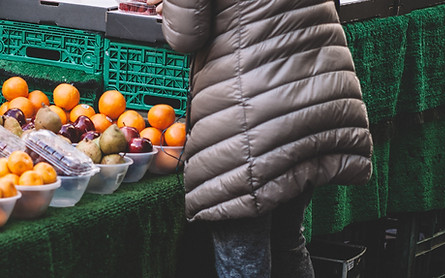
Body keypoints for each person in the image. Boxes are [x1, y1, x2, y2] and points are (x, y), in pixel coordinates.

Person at [154, 0, 374, 277]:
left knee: (244, 258)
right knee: (287, 242)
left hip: (251, 113)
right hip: (313, 92)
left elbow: (186, 33)